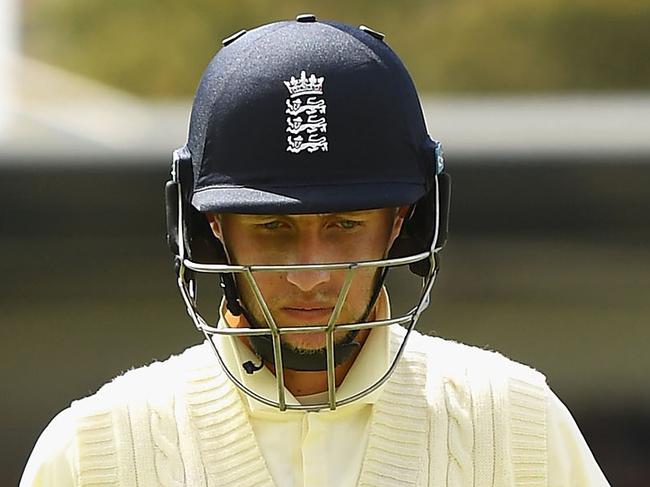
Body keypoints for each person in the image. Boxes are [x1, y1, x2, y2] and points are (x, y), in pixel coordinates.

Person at [22, 15, 610, 487]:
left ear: (404, 220)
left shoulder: (517, 425)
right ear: (212, 228)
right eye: (273, 226)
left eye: (345, 224)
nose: (308, 275)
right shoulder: (91, 453)